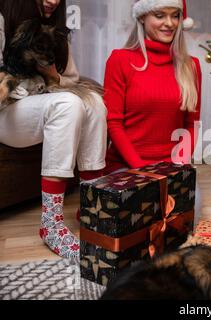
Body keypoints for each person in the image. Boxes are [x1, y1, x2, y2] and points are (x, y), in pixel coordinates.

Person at [0, 0, 107, 262]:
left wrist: (50, 75)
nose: (53, 1)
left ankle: (92, 206)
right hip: (6, 111)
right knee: (67, 104)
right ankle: (52, 224)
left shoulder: (55, 29)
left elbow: (70, 78)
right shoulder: (2, 16)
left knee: (95, 103)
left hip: (37, 101)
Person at [103, 0, 201, 175]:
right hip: (127, 166)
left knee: (189, 201)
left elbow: (191, 125)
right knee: (146, 201)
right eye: (160, 15)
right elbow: (114, 124)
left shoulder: (191, 66)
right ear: (142, 16)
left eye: (175, 15)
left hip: (171, 167)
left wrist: (176, 165)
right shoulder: (120, 60)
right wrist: (144, 171)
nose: (170, 23)